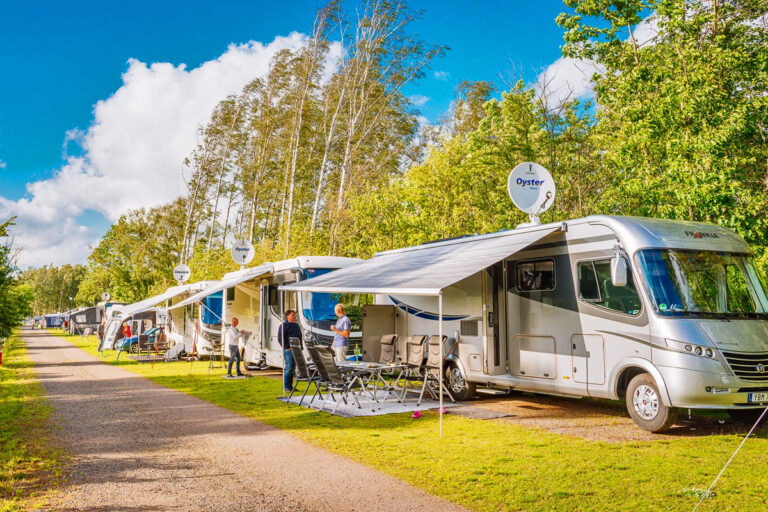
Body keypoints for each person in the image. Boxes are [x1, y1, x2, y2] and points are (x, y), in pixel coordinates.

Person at [277, 309, 301, 393]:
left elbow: (299, 336)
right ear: (287, 316)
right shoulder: (284, 325)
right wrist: (287, 347)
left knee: (293, 368)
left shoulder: (296, 325)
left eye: (294, 315)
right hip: (288, 351)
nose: (294, 316)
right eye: (292, 315)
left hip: (296, 350)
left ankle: (290, 387)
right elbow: (280, 339)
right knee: (288, 367)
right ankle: (286, 387)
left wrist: (300, 346)